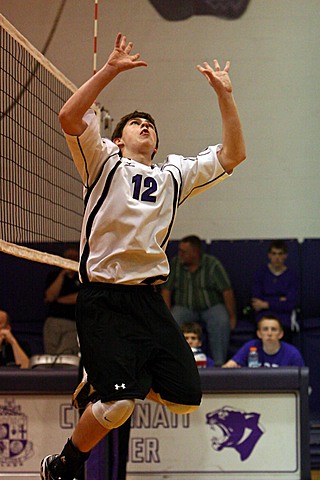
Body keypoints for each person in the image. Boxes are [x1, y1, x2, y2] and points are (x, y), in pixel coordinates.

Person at [40, 32, 246, 480]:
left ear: (156, 144)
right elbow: (69, 115)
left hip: (148, 301)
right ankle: (65, 464)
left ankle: (104, 376)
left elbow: (235, 154)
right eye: (135, 123)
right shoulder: (103, 163)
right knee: (118, 405)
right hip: (104, 298)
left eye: (150, 124)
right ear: (116, 140)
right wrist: (111, 69)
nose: (145, 126)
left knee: (186, 396)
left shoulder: (172, 175)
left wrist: (224, 96)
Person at [162, 235, 236, 365]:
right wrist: (166, 316)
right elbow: (166, 290)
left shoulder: (212, 264)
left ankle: (219, 364)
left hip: (211, 306)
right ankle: (176, 363)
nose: (180, 254)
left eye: (183, 252)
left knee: (221, 320)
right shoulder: (175, 264)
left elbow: (227, 291)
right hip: (184, 306)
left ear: (195, 252)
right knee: (173, 321)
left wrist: (232, 316)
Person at [251, 240, 299, 343]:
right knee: (262, 333)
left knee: (283, 336)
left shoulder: (291, 276)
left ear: (285, 256)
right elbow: (256, 303)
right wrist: (279, 301)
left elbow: (290, 304)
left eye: (280, 254)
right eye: (274, 254)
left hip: (284, 319)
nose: (277, 258)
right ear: (269, 255)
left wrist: (266, 303)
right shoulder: (260, 274)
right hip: (263, 316)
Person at [222, 314, 305, 368]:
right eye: (265, 329)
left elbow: (301, 380)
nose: (269, 333)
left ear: (281, 334)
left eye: (274, 329)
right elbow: (228, 367)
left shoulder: (293, 353)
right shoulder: (251, 346)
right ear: (259, 334)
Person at [43, 246, 80, 355]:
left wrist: (57, 300)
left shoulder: (82, 276)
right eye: (68, 257)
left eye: (74, 257)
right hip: (53, 321)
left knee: (65, 355)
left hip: (73, 323)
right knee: (50, 356)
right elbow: (50, 296)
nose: (71, 260)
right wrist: (63, 274)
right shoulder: (54, 275)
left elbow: (78, 297)